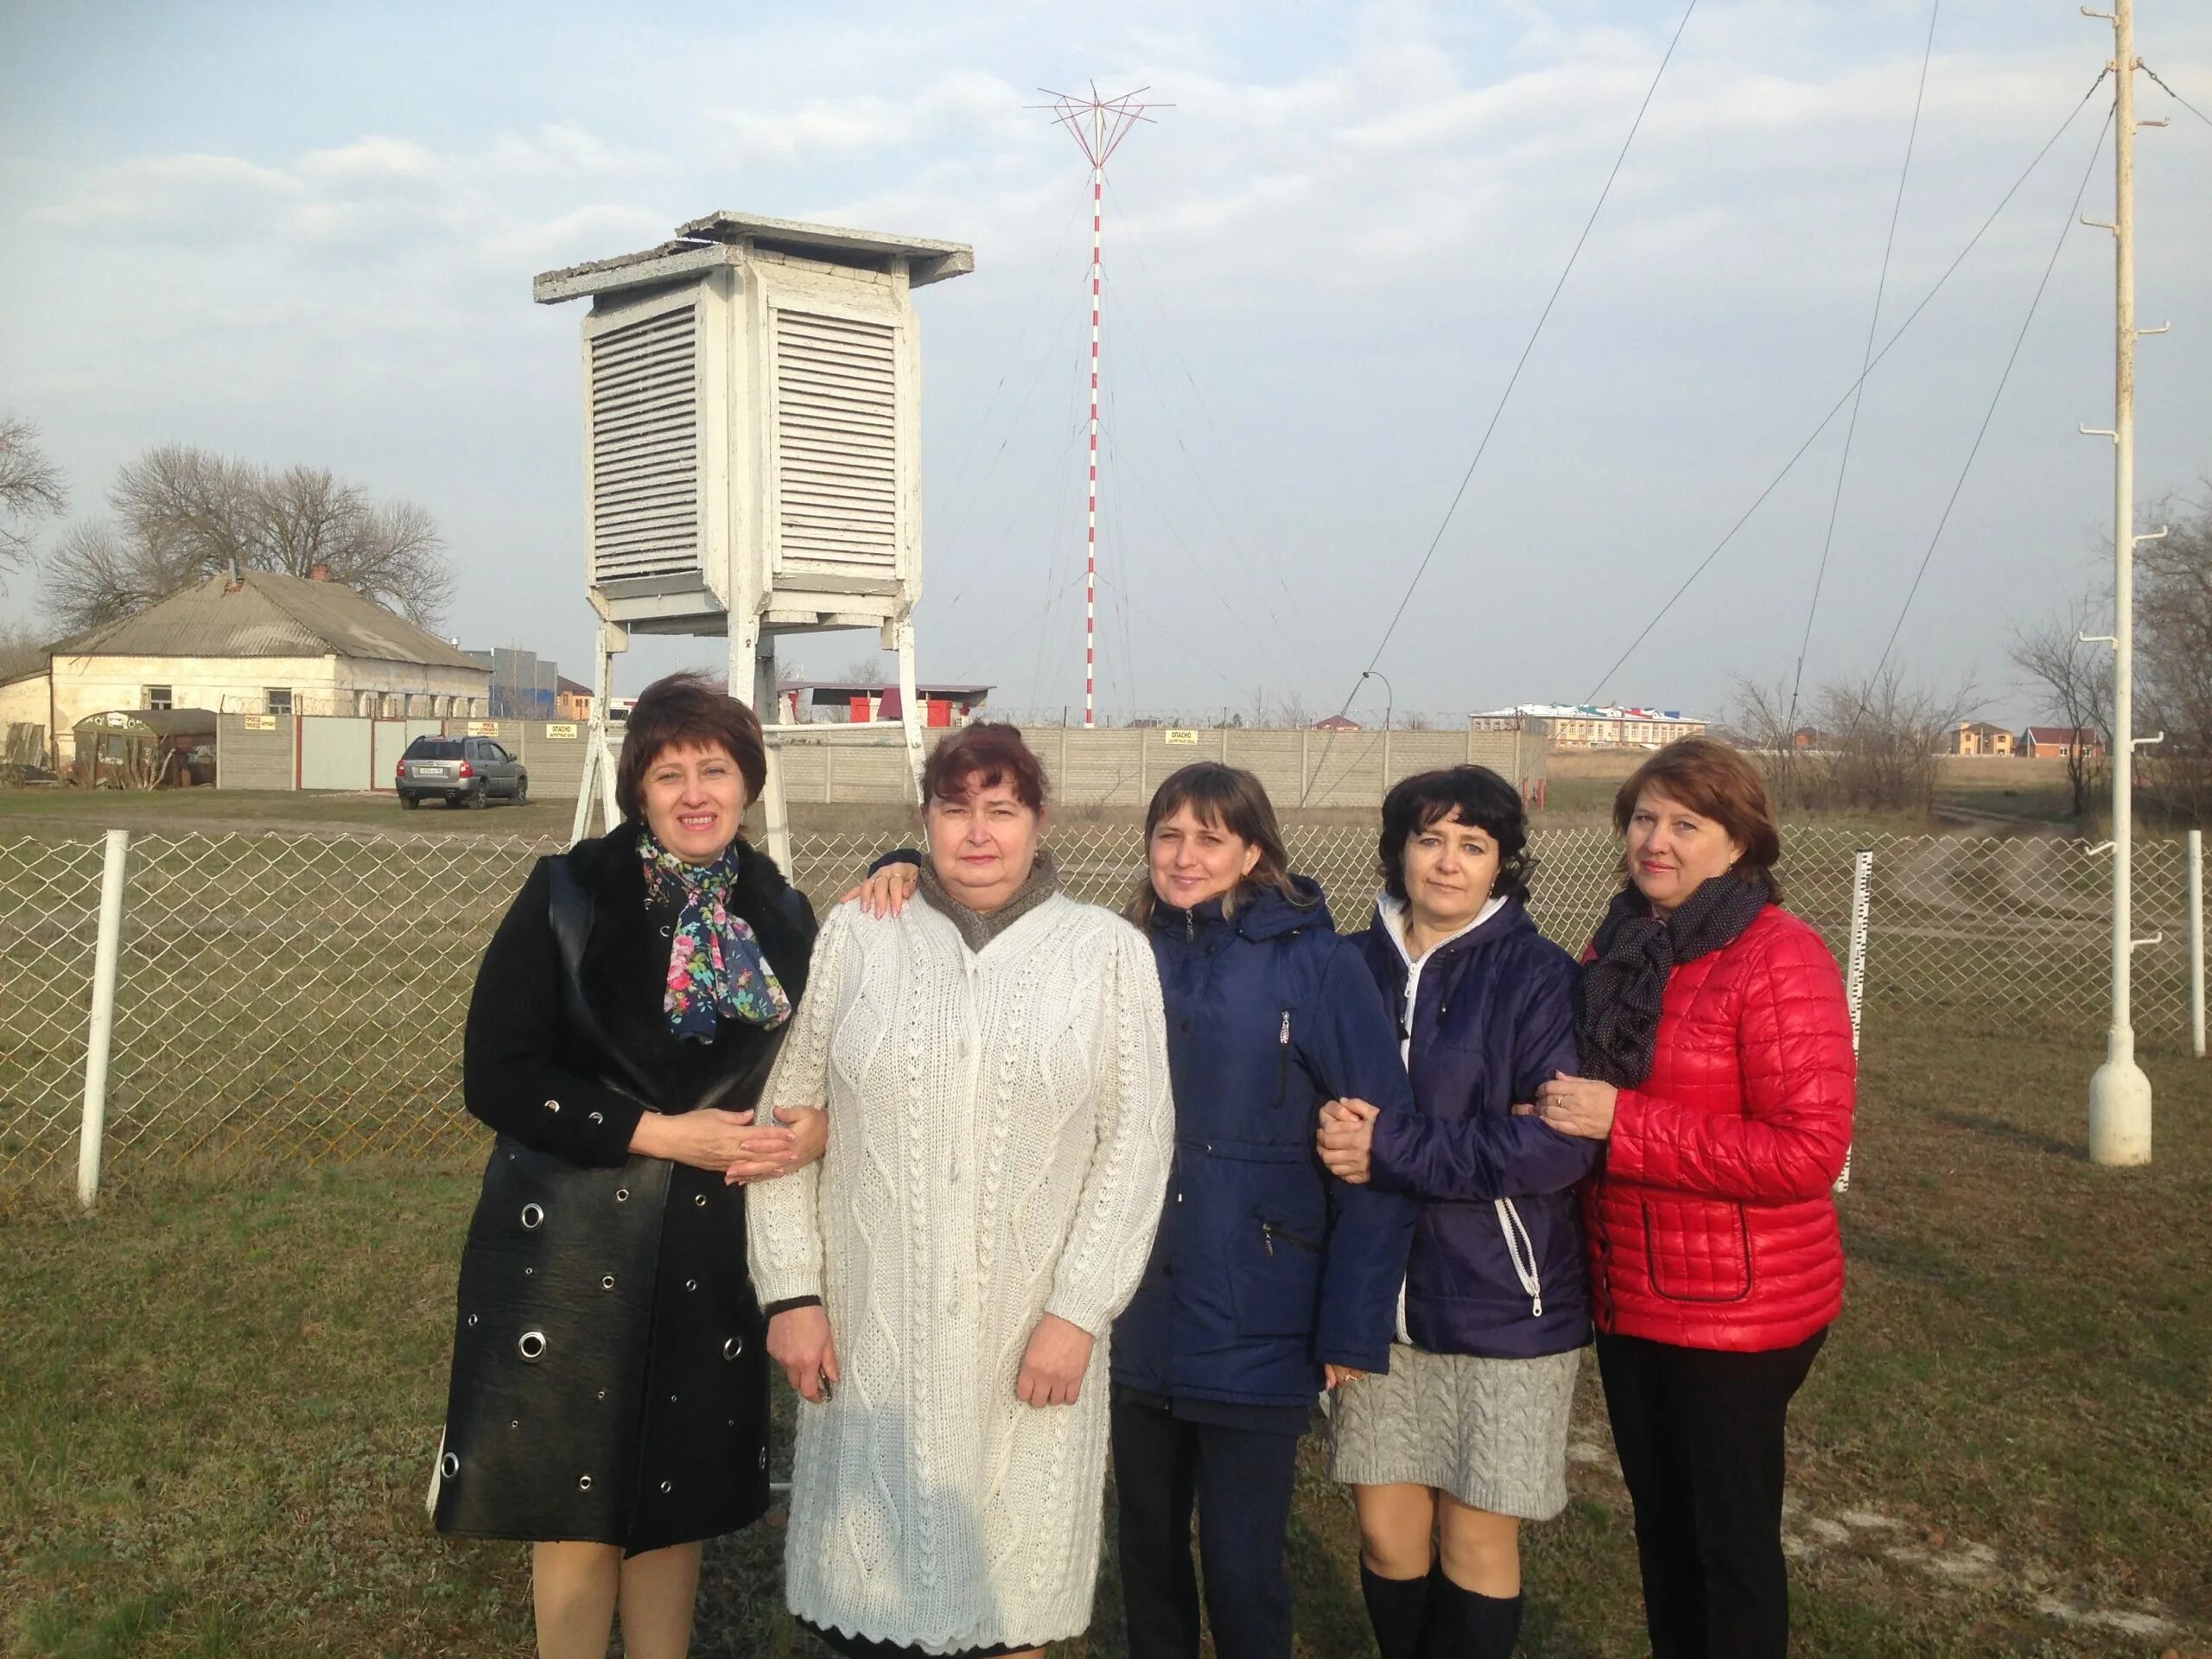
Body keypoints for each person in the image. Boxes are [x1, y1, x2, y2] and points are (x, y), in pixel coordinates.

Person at [855, 760, 1415, 1659]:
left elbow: (1377, 1152)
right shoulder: (1116, 950)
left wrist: (1351, 1326)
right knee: (1145, 1554)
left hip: (1257, 1309)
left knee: (1240, 1564)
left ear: (1254, 851)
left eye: (1209, 837)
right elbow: (1001, 905)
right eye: (1167, 835)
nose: (1184, 857)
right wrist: (903, 864)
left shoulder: (1318, 966)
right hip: (1131, 1308)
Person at [746, 723, 1175, 1659]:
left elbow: (1137, 1145)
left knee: (1008, 1606)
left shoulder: (1105, 954)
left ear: (1038, 820)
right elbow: (788, 1120)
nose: (978, 834)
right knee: (866, 1604)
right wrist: (791, 1293)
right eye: (955, 811)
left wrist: (1078, 1311)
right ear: (926, 821)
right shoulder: (862, 932)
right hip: (872, 1333)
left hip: (1029, 1343)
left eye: (1001, 811)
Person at [433, 671, 826, 1659]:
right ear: (638, 791)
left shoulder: (782, 914)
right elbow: (498, 1076)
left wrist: (812, 1133)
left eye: (716, 770)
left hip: (706, 1244)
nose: (695, 793)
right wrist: (656, 1133)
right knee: (574, 1497)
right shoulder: (568, 895)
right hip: (568, 1241)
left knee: (672, 1495)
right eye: (669, 773)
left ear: (749, 784)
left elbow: (826, 1063)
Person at [1526, 737, 1855, 1659]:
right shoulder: (1621, 942)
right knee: (1662, 1535)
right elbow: (1584, 1084)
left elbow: (1807, 1150)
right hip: (1631, 1293)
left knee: (1728, 1550)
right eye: (1641, 818)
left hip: (1735, 1314)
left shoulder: (1777, 957)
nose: (1654, 841)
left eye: (1684, 823)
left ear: (1739, 843)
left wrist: (1620, 1124)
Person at [1315, 766, 1597, 1659]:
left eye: (1472, 846)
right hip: (1373, 1300)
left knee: (1476, 1540)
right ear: (1397, 849)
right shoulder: (1343, 966)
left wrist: (1390, 1147)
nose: (1447, 862)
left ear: (1503, 863)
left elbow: (1554, 1148)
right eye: (1429, 839)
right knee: (1387, 1535)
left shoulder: (1541, 977)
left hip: (1500, 1301)